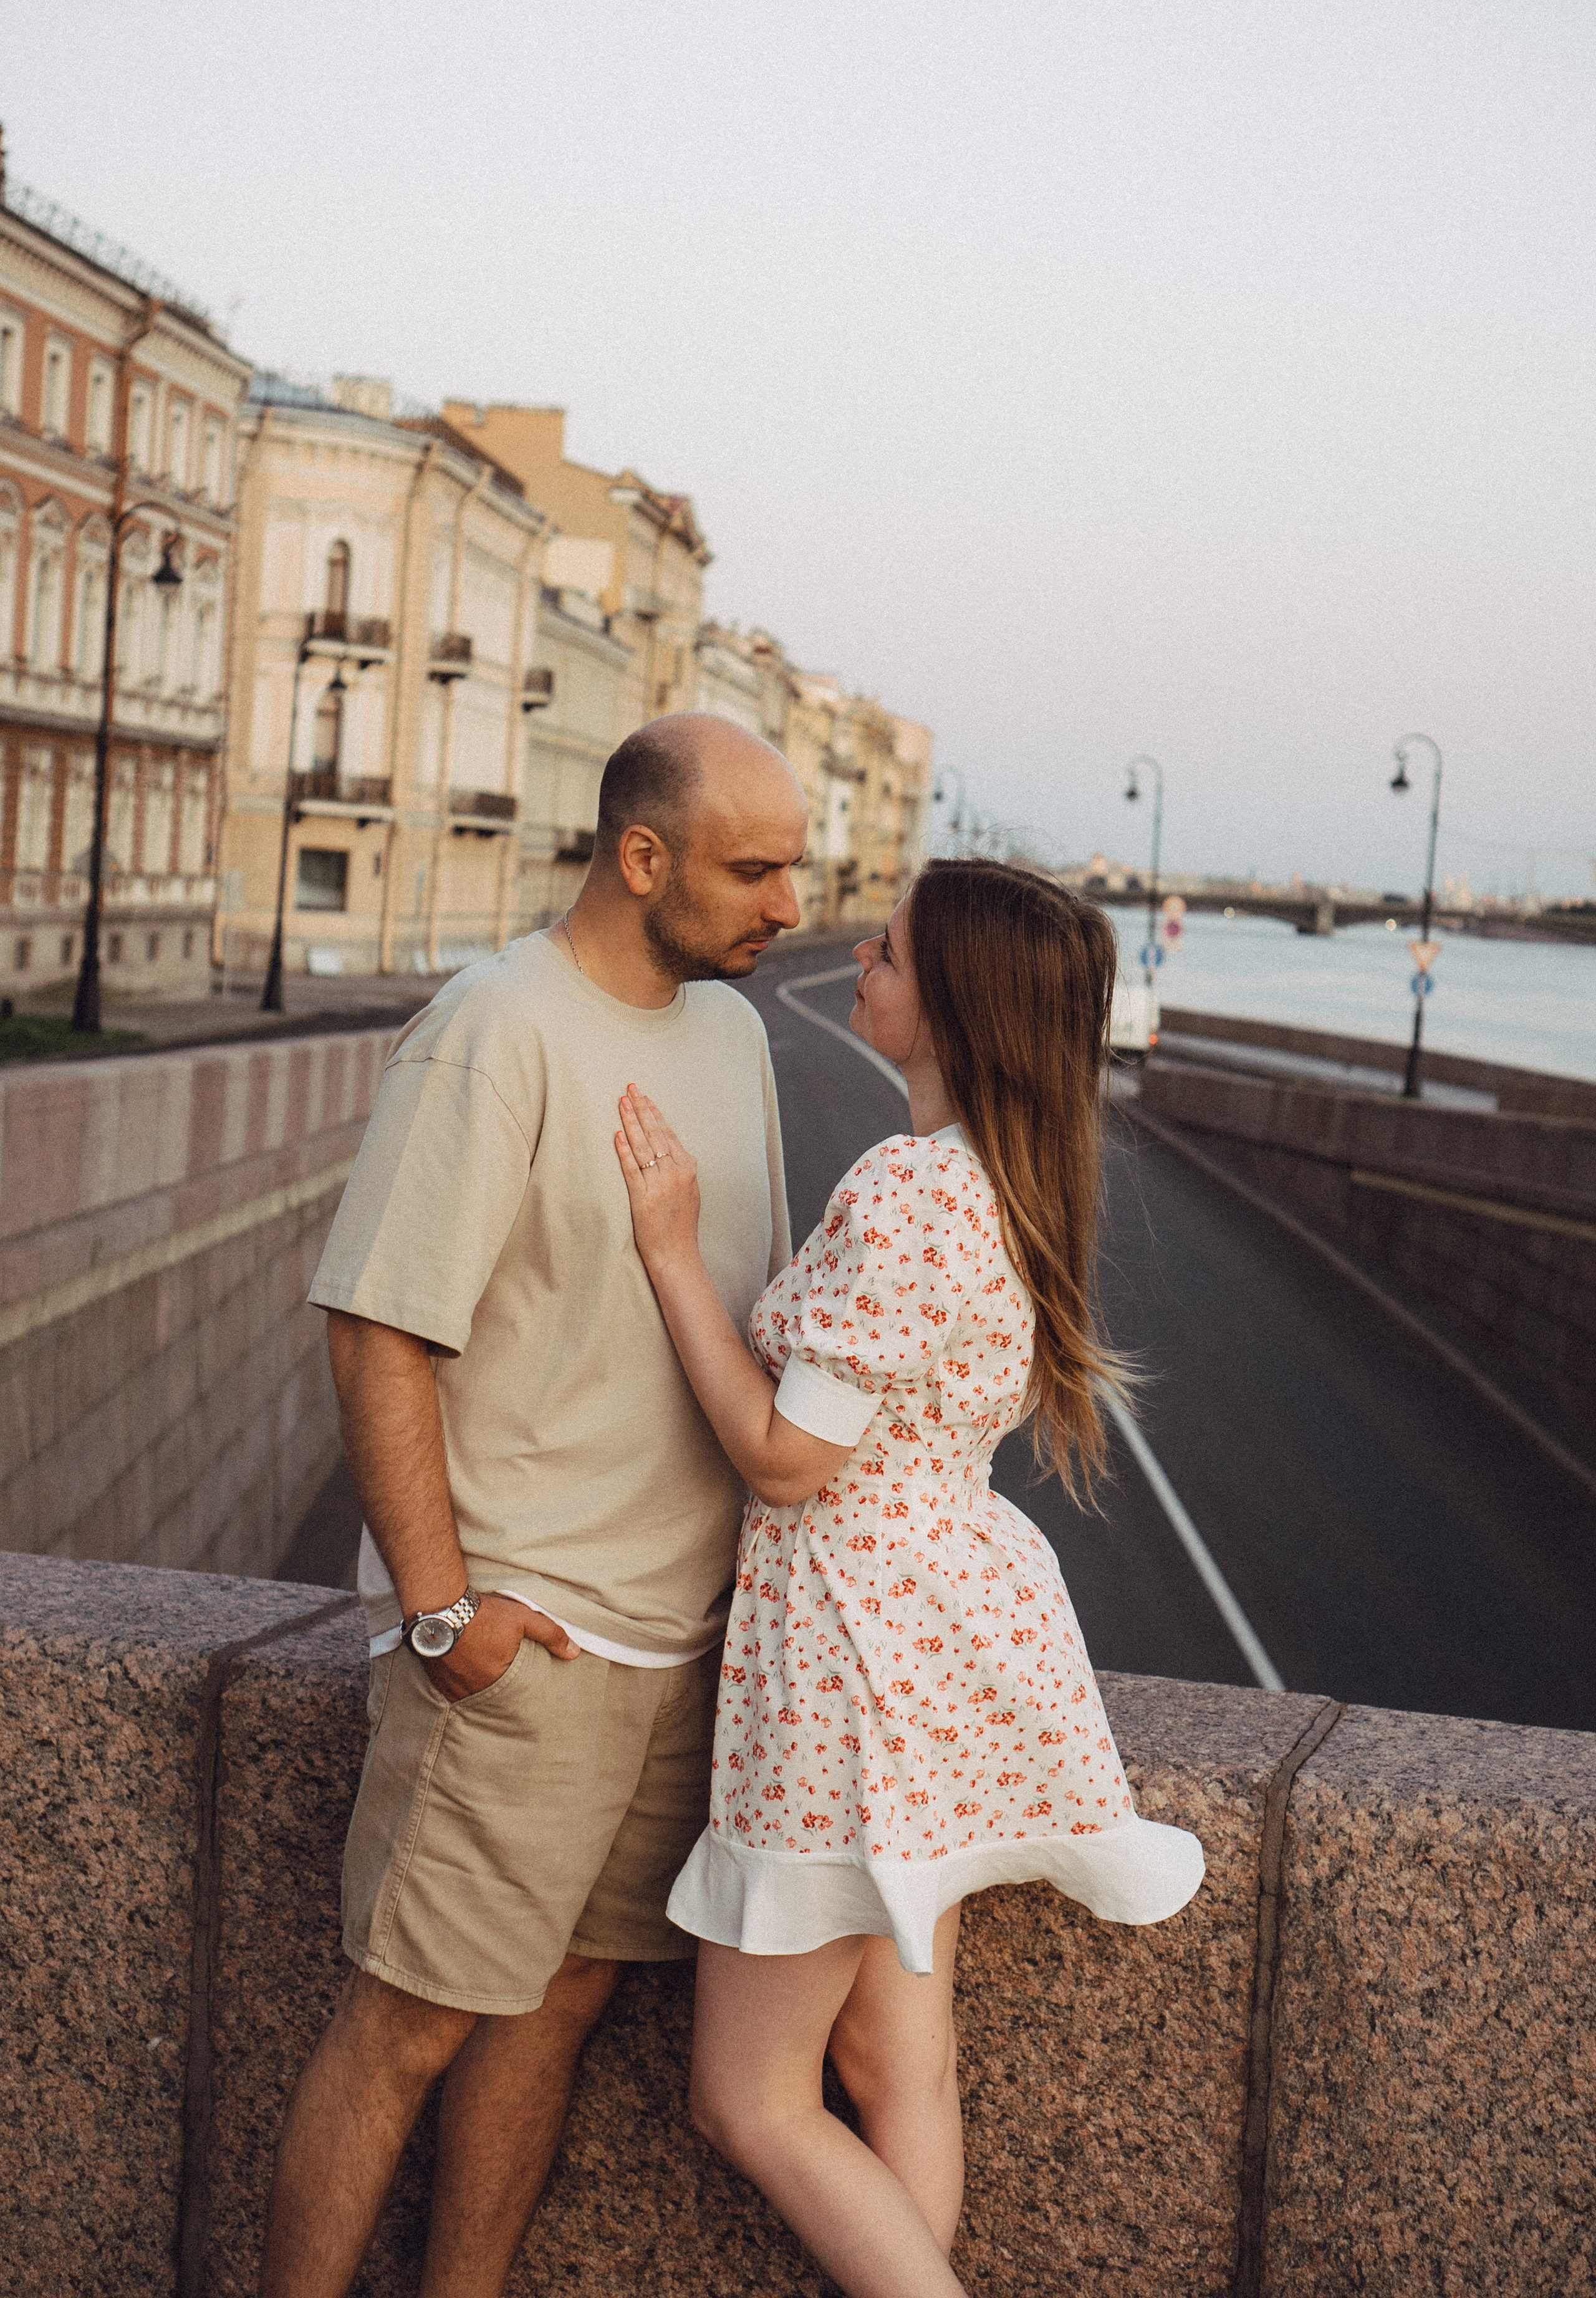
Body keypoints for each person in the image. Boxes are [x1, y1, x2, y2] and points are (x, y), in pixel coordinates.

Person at [257, 714, 809, 2298]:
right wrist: (442, 1609)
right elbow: (378, 1321)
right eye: (751, 870)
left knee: (561, 2000)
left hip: (681, 1642)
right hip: (529, 1639)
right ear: (641, 859)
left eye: (792, 870)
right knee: (407, 2028)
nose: (785, 906)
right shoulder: (494, 1027)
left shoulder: (736, 1036)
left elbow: (738, 1309)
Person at [612, 856, 1206, 2298]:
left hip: (844, 1667)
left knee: (748, 2099)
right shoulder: (1006, 1181)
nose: (858, 959)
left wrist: (672, 1254)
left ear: (955, 1003)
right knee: (893, 2064)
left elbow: (780, 1459)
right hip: (940, 1649)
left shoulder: (906, 1189)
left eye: (883, 950)